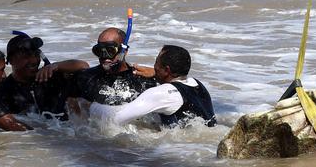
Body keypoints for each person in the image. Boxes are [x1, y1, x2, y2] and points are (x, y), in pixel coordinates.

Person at [79, 45, 216, 128]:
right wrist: (157, 74)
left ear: (167, 70)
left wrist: (89, 106)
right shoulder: (196, 83)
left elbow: (116, 118)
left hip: (178, 148)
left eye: (156, 62)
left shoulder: (163, 93)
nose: (154, 66)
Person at [0, 32, 89, 120]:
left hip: (66, 132)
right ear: (11, 60)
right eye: (26, 56)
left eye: (36, 55)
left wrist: (56, 66)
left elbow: (84, 66)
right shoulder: (4, 91)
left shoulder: (50, 76)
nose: (33, 60)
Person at [67, 27, 157, 108]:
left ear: (124, 51)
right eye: (99, 51)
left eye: (110, 51)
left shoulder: (142, 79)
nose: (105, 57)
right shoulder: (86, 78)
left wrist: (156, 74)